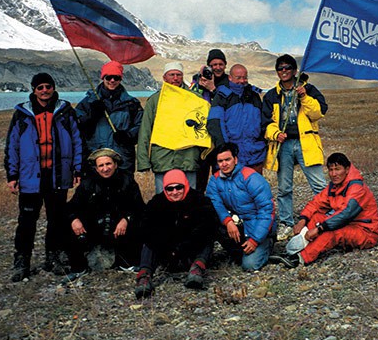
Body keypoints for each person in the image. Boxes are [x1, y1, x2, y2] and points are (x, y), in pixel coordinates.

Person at [4, 72, 83, 282]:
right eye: (40, 87)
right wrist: (12, 174)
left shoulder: (65, 111)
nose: (45, 90)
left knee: (56, 219)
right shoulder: (22, 113)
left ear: (53, 87)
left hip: (58, 175)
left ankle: (53, 257)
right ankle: (22, 261)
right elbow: (12, 145)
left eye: (48, 86)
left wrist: (77, 169)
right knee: (27, 221)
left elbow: (77, 140)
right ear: (34, 90)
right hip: (30, 176)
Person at [261, 54, 328, 240]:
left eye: (287, 68)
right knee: (284, 187)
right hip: (284, 144)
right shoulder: (272, 95)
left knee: (319, 184)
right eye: (280, 68)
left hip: (306, 141)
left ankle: (326, 218)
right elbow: (266, 121)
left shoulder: (309, 90)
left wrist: (304, 97)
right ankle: (286, 222)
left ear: (294, 70)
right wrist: (275, 134)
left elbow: (318, 113)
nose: (284, 71)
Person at [273, 153, 378, 268]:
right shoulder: (334, 186)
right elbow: (316, 204)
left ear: (347, 169)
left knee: (332, 232)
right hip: (348, 225)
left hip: (365, 231)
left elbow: (346, 214)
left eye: (337, 169)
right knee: (316, 216)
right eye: (331, 170)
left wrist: (320, 228)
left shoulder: (357, 188)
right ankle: (295, 248)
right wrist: (302, 220)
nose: (334, 174)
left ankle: (301, 258)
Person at [134, 169, 219, 298]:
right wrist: (167, 246)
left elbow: (208, 225)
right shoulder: (156, 203)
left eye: (179, 187)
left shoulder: (199, 200)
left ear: (185, 185)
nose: (174, 192)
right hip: (166, 251)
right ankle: (144, 276)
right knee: (148, 243)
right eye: (170, 189)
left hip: (191, 249)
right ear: (165, 189)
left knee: (208, 236)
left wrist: (183, 246)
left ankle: (197, 269)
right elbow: (146, 228)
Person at [65, 148, 145, 276]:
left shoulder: (127, 181)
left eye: (108, 164)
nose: (105, 168)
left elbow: (139, 207)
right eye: (101, 165)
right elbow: (71, 207)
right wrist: (74, 219)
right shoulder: (87, 183)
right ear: (96, 168)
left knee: (141, 223)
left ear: (115, 164)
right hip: (94, 227)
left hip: (119, 228)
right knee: (69, 225)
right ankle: (79, 268)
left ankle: (127, 263)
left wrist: (126, 219)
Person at [205, 143, 276, 271]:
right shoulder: (215, 180)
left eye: (227, 159)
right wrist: (227, 221)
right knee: (209, 218)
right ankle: (238, 250)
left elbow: (267, 210)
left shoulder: (251, 177)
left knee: (250, 265)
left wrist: (255, 240)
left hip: (257, 226)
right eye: (220, 161)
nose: (224, 164)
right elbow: (215, 204)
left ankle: (266, 244)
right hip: (237, 224)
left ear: (235, 159)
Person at [137, 62, 203, 194]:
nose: (175, 78)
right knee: (163, 198)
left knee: (190, 197)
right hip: (163, 158)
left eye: (178, 75)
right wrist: (143, 161)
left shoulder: (195, 99)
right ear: (164, 77)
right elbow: (145, 131)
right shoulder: (155, 101)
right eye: (171, 74)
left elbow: (202, 127)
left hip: (188, 157)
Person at [75, 60, 144, 175]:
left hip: (122, 160)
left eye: (116, 78)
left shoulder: (131, 103)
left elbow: (141, 125)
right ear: (103, 78)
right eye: (109, 77)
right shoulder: (88, 102)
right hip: (96, 159)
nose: (112, 81)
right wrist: (92, 116)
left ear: (120, 79)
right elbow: (77, 126)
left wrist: (128, 136)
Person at [207, 64, 267, 173]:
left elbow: (262, 122)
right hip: (232, 157)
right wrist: (225, 149)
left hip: (255, 154)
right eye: (238, 78)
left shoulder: (254, 95)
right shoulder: (222, 96)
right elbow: (215, 124)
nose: (242, 81)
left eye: (245, 77)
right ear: (230, 78)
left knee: (255, 188)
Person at [190, 48, 230, 191]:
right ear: (208, 66)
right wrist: (199, 86)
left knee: (221, 176)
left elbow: (229, 103)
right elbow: (192, 102)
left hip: (221, 137)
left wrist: (213, 89)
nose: (217, 68)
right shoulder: (200, 80)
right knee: (200, 178)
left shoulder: (229, 83)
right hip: (202, 137)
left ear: (225, 65)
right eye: (213, 65)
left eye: (220, 64)